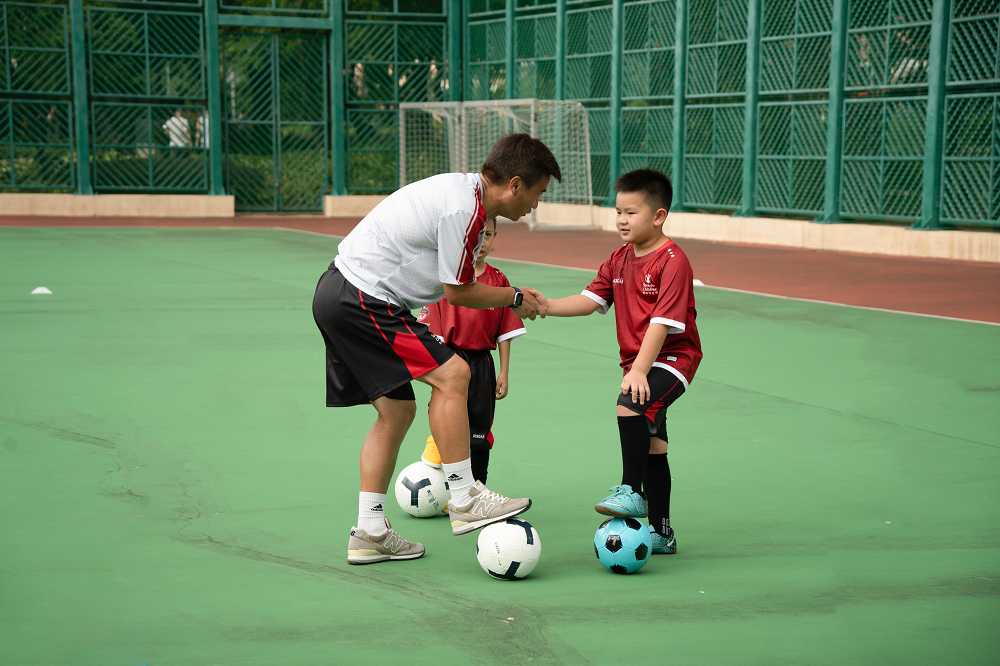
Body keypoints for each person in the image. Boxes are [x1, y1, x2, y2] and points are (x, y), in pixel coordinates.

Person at [312, 134, 560, 565]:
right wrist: (515, 296)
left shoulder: (464, 196)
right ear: (515, 184)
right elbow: (459, 293)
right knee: (455, 374)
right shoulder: (464, 209)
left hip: (343, 293)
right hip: (362, 297)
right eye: (537, 194)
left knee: (397, 411)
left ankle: (369, 531)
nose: (535, 205)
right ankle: (464, 497)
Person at [528, 169, 702, 555]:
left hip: (673, 359)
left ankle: (630, 491)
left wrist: (639, 369)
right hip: (640, 363)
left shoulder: (673, 261)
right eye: (618, 211)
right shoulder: (619, 258)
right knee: (654, 445)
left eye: (631, 212)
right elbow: (591, 300)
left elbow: (662, 322)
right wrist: (547, 306)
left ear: (658, 216)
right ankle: (662, 533)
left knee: (630, 405)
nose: (621, 220)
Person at [417, 217, 525, 487]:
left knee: (480, 429)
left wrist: (505, 372)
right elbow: (432, 331)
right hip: (450, 362)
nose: (481, 242)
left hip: (482, 366)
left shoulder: (499, 280)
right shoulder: (447, 278)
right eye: (476, 235)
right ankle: (444, 483)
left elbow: (505, 330)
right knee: (449, 423)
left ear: (495, 236)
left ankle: (479, 488)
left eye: (487, 235)